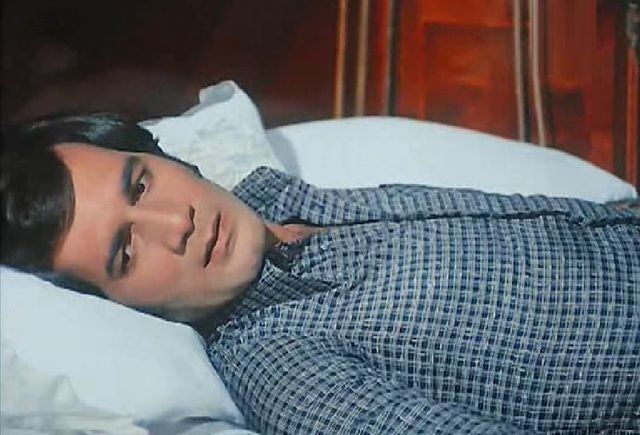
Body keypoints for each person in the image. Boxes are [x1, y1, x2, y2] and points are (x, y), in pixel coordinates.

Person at [2, 114, 639, 434]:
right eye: (126, 252)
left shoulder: (277, 198)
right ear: (118, 306)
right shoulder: (281, 371)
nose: (177, 224)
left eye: (140, 184)